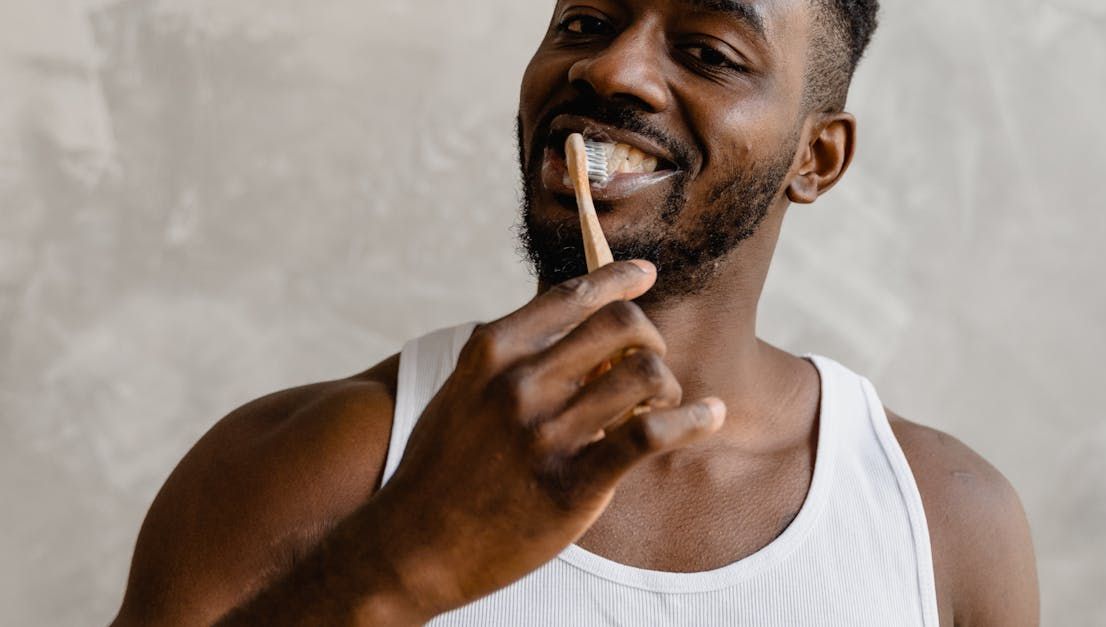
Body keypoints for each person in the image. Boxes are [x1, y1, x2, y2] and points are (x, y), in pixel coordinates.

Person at [113, 1, 1039, 625]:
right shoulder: (299, 467)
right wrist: (395, 559)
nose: (611, 69)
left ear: (817, 157)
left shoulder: (945, 524)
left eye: (709, 50)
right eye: (586, 20)